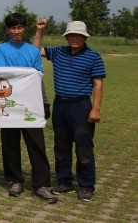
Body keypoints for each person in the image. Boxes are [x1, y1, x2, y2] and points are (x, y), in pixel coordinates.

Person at [34, 19, 105, 202]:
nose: (75, 38)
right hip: (60, 105)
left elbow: (98, 85)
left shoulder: (93, 56)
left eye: (79, 35)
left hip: (81, 106)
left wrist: (95, 109)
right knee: (61, 145)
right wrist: (40, 31)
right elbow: (36, 50)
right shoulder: (58, 52)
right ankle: (64, 181)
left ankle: (86, 185)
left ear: (84, 37)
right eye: (71, 35)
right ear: (67, 37)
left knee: (84, 147)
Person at [0, 12, 57, 204]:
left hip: (31, 104)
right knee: (10, 143)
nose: (16, 31)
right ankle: (15, 180)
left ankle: (41, 184)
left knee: (36, 143)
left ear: (24, 29)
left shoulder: (32, 50)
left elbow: (37, 73)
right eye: (13, 28)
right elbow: (1, 74)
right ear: (7, 30)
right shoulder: (0, 49)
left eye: (20, 27)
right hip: (10, 104)